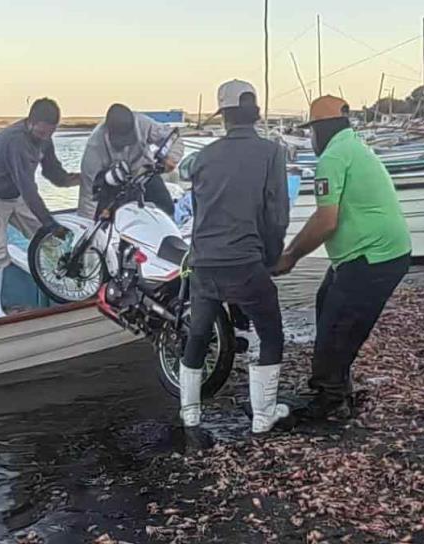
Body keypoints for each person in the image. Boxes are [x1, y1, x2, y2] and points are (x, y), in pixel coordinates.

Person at [274, 95, 411, 421]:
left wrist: (291, 257)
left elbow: (326, 222)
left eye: (311, 132)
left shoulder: (333, 157)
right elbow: (324, 215)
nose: (310, 138)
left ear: (322, 129)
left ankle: (331, 402)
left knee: (338, 324)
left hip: (373, 257)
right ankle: (339, 385)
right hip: (375, 253)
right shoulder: (354, 147)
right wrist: (291, 250)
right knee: (328, 306)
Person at [180, 80, 290, 435]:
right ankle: (263, 414)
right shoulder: (271, 153)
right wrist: (272, 257)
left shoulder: (203, 158)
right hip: (244, 262)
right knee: (270, 332)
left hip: (202, 263)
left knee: (198, 334)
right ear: (255, 112)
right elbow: (277, 214)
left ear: (224, 116)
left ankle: (190, 412)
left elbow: (198, 212)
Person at [0, 98, 80, 318]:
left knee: (50, 241)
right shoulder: (15, 141)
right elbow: (28, 188)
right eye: (41, 133)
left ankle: (64, 288)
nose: (45, 138)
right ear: (30, 122)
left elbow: (55, 175)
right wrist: (49, 223)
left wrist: (85, 179)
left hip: (14, 193)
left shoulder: (45, 139)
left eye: (50, 133)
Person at [79, 104, 184, 219]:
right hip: (113, 185)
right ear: (107, 132)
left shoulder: (143, 123)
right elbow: (88, 195)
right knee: (113, 219)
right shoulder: (94, 147)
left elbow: (174, 137)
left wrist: (172, 158)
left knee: (166, 208)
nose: (125, 145)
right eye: (121, 141)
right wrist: (88, 224)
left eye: (128, 138)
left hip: (145, 174)